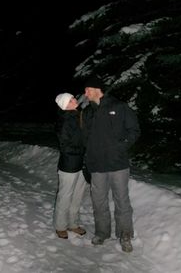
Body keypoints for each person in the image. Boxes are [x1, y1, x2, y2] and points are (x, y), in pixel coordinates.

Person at [82, 75, 140, 252]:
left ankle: (125, 235)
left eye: (87, 90)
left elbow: (134, 131)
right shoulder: (88, 112)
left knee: (122, 201)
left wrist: (120, 148)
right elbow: (86, 139)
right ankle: (102, 232)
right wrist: (87, 162)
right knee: (99, 201)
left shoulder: (119, 107)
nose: (85, 93)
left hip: (118, 165)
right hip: (97, 166)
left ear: (97, 89)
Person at [53, 92, 87, 239]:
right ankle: (60, 226)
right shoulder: (64, 121)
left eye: (73, 98)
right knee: (65, 196)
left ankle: (73, 224)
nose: (75, 99)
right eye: (71, 99)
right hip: (69, 164)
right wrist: (83, 150)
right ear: (65, 105)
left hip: (82, 163)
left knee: (77, 196)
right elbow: (66, 146)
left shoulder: (78, 115)